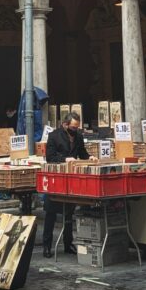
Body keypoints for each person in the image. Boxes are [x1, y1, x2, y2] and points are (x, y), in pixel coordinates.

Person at [42, 111, 89, 258]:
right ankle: (47, 246)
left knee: (69, 213)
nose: (75, 130)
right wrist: (65, 159)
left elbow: (82, 154)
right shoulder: (54, 136)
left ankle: (68, 244)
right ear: (65, 125)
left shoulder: (79, 137)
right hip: (56, 179)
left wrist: (90, 158)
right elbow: (50, 157)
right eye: (73, 127)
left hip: (71, 179)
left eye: (77, 127)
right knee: (51, 213)